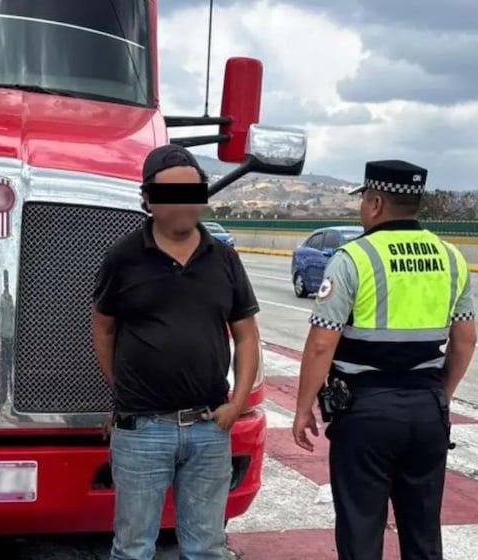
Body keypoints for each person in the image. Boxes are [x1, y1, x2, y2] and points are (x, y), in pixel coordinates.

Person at [292, 160, 476, 560]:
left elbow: (322, 343)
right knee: (423, 532)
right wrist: (439, 396)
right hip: (427, 410)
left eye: (363, 200)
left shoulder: (353, 258)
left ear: (375, 203)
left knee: (361, 531)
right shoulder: (451, 258)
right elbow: (465, 341)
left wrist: (303, 407)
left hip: (366, 414)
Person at [90, 144, 261, 560]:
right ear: (148, 199)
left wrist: (237, 404)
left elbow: (247, 336)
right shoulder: (123, 257)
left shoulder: (224, 259)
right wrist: (125, 390)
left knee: (206, 548)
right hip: (142, 430)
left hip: (209, 428)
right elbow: (103, 329)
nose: (182, 204)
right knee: (133, 549)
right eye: (169, 195)